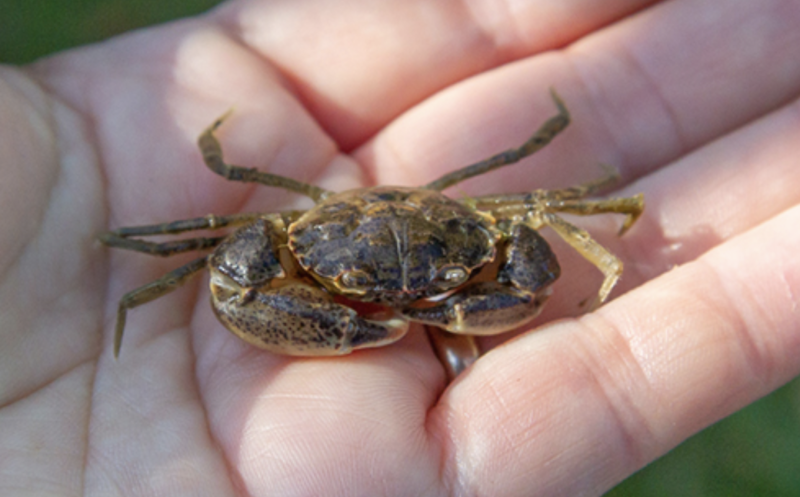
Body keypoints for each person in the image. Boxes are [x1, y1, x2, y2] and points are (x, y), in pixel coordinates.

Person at [1, 0, 799, 495]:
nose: (399, 306)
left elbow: (544, 241)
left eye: (436, 288)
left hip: (428, 223)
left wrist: (603, 257)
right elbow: (228, 276)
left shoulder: (490, 226)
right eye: (355, 288)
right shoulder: (276, 241)